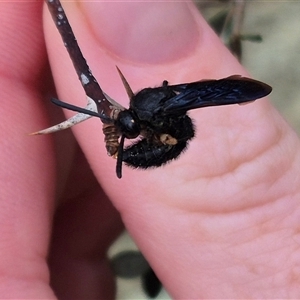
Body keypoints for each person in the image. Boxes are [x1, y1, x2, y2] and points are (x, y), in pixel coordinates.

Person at [1, 1, 299, 299]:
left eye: (126, 130)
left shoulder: (151, 116)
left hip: (175, 135)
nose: (124, 133)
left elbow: (194, 100)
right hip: (162, 126)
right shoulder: (139, 109)